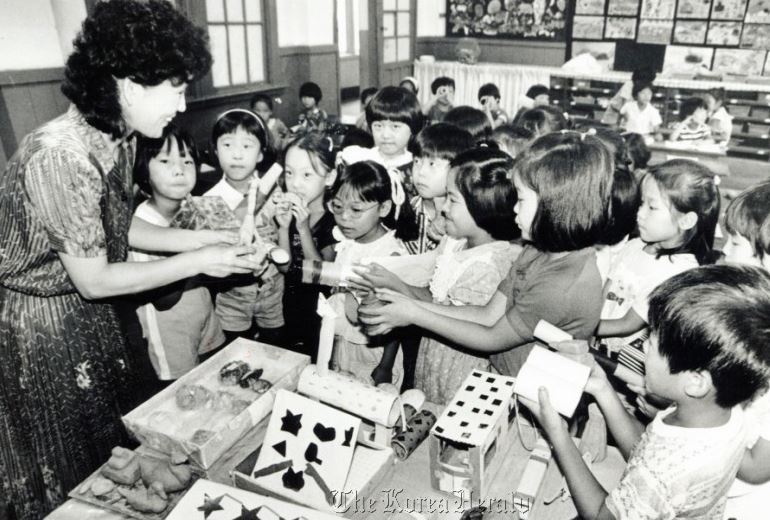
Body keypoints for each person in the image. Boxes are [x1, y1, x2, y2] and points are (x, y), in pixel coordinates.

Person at [0, 1, 260, 517]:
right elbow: (94, 277)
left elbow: (109, 231)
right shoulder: (61, 155)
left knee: (110, 460)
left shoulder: (114, 138)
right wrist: (200, 262)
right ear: (130, 83)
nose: (183, 105)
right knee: (67, 466)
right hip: (44, 328)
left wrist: (203, 244)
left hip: (82, 313)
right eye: (177, 88)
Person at [525, 265, 770, 520]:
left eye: (652, 343)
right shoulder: (720, 410)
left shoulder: (668, 473)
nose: (645, 345)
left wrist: (557, 433)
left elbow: (602, 516)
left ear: (696, 382)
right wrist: (602, 387)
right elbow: (647, 451)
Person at [360, 131, 613, 377]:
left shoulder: (562, 286)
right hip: (506, 377)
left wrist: (414, 313)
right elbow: (488, 314)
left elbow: (491, 336)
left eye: (521, 200)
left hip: (529, 405)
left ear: (554, 206)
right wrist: (410, 305)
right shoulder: (538, 250)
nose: (513, 208)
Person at [382, 148, 522, 404]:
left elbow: (472, 326)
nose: (443, 207)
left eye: (452, 199)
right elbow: (437, 301)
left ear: (484, 207)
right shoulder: (455, 244)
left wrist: (406, 303)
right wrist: (395, 284)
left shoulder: (489, 265)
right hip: (434, 357)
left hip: (463, 374)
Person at [131, 125, 225, 381]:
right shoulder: (141, 226)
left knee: (218, 377)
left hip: (205, 314)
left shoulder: (194, 207)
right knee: (185, 393)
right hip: (170, 333)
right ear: (143, 169)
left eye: (187, 160)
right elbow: (163, 300)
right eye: (165, 160)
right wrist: (198, 251)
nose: (180, 169)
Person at [596, 160, 719, 352]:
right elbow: (604, 293)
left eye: (652, 207)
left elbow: (629, 324)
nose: (640, 213)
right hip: (599, 341)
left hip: (629, 361)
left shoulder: (679, 271)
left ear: (686, 220)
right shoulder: (634, 245)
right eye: (642, 203)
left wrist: (584, 327)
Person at [327, 160, 413, 386]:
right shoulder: (348, 241)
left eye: (356, 210)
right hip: (342, 340)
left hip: (373, 352)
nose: (344, 217)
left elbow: (396, 318)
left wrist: (385, 365)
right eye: (337, 206)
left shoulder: (391, 254)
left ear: (383, 208)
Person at [205, 109, 285, 346]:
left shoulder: (273, 189)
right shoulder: (211, 200)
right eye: (228, 144)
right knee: (235, 349)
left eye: (247, 146)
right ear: (216, 150)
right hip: (233, 296)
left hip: (272, 289)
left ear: (261, 154)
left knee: (275, 346)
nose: (237, 155)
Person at [721, 182, 770, 519]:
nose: (723, 251)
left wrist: (695, 423)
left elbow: (756, 468)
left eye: (735, 243)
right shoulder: (748, 317)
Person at [277, 133, 339, 359]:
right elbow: (285, 267)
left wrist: (303, 229)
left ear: (330, 177)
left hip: (320, 311)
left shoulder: (333, 221)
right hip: (290, 306)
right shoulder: (289, 213)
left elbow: (323, 275)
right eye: (289, 172)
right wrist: (283, 227)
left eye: (306, 175)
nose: (295, 183)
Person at [364, 85, 424, 198]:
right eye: (378, 126)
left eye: (395, 126)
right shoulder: (363, 161)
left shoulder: (418, 167)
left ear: (413, 128)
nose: (385, 135)